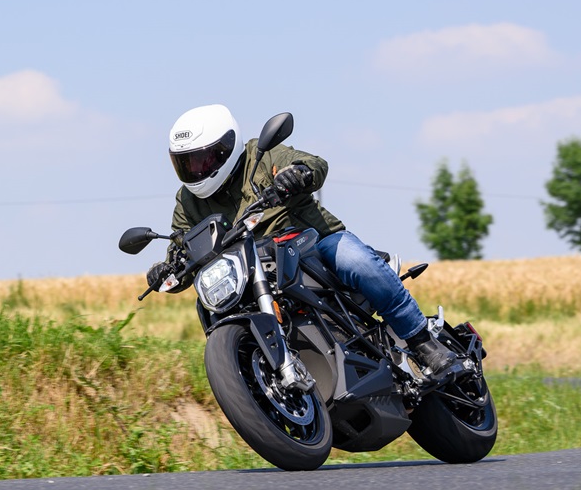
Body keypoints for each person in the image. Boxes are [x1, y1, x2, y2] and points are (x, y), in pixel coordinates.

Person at [147, 104, 460, 378]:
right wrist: (167, 266)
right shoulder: (187, 199)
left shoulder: (263, 155)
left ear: (226, 148)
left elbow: (315, 164)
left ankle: (422, 340)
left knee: (356, 262)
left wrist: (296, 174)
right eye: (187, 163)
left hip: (310, 241)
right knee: (212, 303)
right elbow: (181, 245)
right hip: (251, 270)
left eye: (202, 160)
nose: (196, 170)